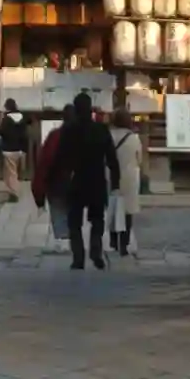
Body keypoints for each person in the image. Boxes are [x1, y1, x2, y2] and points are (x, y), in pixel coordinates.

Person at [52, 91, 120, 270]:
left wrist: (60, 179)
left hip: (76, 179)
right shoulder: (101, 129)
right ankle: (95, 251)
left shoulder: (69, 130)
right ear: (91, 109)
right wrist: (115, 180)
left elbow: (61, 157)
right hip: (97, 178)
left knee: (74, 221)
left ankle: (78, 257)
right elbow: (111, 157)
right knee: (97, 219)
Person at [31, 109, 69, 250]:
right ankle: (70, 238)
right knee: (73, 210)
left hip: (56, 181)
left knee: (58, 210)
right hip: (77, 181)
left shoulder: (55, 136)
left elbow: (45, 161)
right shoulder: (83, 135)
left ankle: (61, 239)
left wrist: (39, 193)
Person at [107, 109, 143, 257]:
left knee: (113, 208)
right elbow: (139, 159)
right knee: (127, 212)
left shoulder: (108, 136)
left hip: (111, 176)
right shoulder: (133, 138)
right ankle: (124, 244)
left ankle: (113, 241)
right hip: (129, 177)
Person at [0, 98, 30, 202]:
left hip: (8, 148)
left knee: (11, 172)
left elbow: (0, 131)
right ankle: (12, 191)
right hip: (19, 149)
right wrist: (24, 149)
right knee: (13, 171)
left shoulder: (6, 119)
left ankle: (13, 193)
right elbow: (25, 135)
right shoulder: (22, 118)